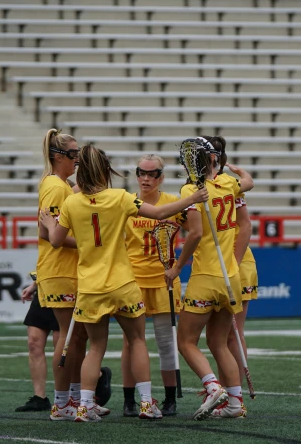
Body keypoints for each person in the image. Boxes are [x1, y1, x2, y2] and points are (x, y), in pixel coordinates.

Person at [40, 145, 208, 422]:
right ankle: (145, 403)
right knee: (138, 340)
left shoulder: (71, 202)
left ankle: (83, 406)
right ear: (106, 171)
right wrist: (193, 198)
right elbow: (160, 214)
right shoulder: (119, 197)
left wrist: (47, 223)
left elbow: (56, 241)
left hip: (90, 287)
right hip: (122, 284)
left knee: (95, 348)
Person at [164, 137, 254, 420]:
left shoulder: (192, 189)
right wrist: (237, 171)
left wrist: (177, 268)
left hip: (205, 276)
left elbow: (195, 234)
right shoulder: (229, 184)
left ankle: (213, 385)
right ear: (215, 161)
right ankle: (235, 403)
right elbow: (248, 183)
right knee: (218, 342)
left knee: (186, 341)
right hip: (231, 277)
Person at [35, 129, 111, 422]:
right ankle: (62, 402)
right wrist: (89, 243)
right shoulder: (55, 186)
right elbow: (48, 232)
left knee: (76, 337)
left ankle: (76, 399)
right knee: (67, 338)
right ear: (58, 156)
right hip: (61, 269)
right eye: (73, 154)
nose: (78, 159)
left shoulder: (62, 185)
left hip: (67, 269)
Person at [121, 154, 184, 417]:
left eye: (152, 174)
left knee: (166, 342)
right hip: (132, 279)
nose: (146, 179)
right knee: (130, 342)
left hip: (163, 279)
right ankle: (129, 400)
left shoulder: (173, 203)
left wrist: (177, 266)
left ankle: (170, 398)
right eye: (141, 173)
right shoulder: (124, 202)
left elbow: (197, 234)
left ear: (161, 176)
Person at [204, 135, 257, 419]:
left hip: (236, 264)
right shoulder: (222, 184)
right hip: (223, 266)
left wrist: (233, 263)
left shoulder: (227, 186)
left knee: (231, 334)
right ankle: (229, 390)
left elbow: (245, 227)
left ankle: (230, 392)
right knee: (221, 335)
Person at [16, 270, 60, 412]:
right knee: (34, 343)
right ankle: (39, 397)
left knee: (62, 347)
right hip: (45, 289)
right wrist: (35, 285)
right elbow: (48, 261)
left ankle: (67, 396)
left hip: (66, 289)